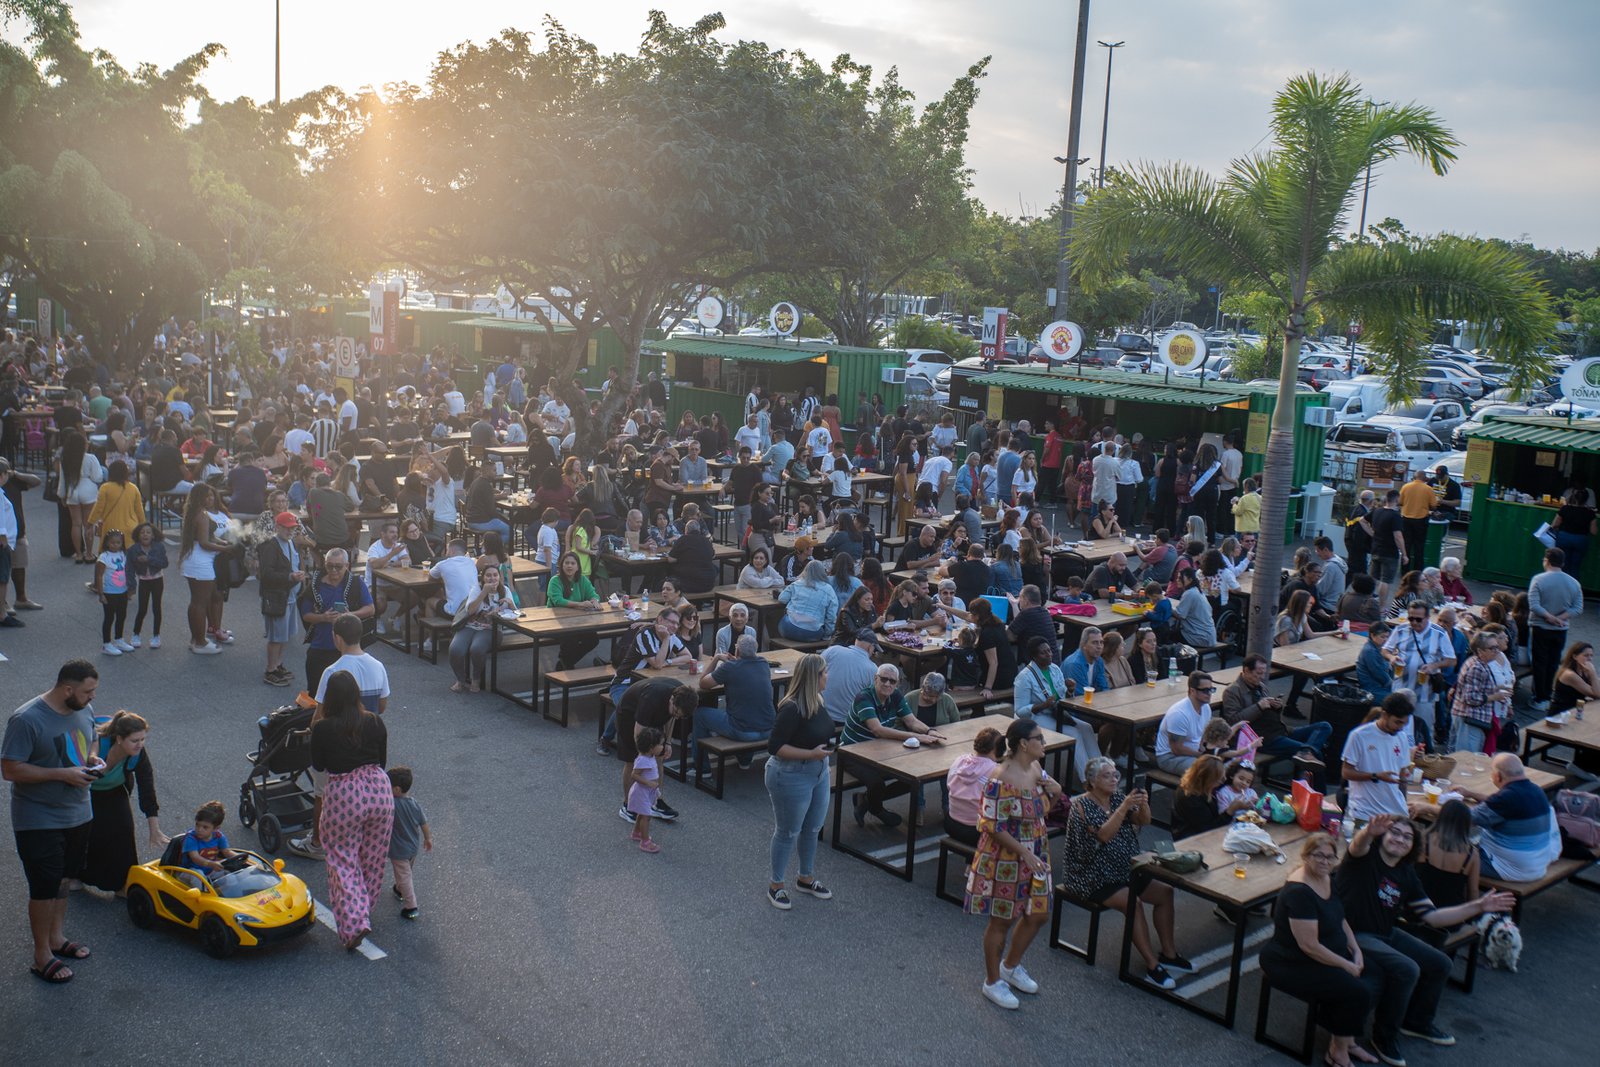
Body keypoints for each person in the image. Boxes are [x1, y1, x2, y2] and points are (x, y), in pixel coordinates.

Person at [1336, 813, 1515, 1062]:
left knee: (1440, 963)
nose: (1400, 839)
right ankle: (1383, 1036)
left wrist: (1478, 906)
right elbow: (1357, 846)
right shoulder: (1365, 858)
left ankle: (1416, 1022)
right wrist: (1367, 832)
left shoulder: (1406, 874)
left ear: (1413, 846)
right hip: (1353, 934)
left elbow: (1434, 917)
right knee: (1407, 968)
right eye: (1394, 833)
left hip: (1385, 933)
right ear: (1382, 836)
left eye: (1407, 837)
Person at [2, 660, 101, 983]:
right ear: (67, 689)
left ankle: (57, 938)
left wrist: (92, 758)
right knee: (44, 888)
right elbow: (10, 769)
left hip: (79, 812)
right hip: (38, 818)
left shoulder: (84, 708)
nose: (92, 697)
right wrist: (62, 774)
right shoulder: (26, 719)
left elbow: (92, 737)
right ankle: (41, 955)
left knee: (63, 880)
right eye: (88, 691)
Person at [1061, 756, 1191, 990]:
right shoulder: (1081, 806)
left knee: (1165, 892)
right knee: (1134, 903)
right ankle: (1152, 965)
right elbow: (1104, 835)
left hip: (1124, 869)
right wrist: (1123, 807)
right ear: (1092, 781)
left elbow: (1144, 820)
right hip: (1091, 875)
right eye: (1107, 776)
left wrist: (1143, 803)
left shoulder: (1118, 798)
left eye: (1115, 775)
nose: (1113, 779)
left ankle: (1169, 954)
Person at [965, 717, 1064, 1011]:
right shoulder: (1001, 777)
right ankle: (992, 981)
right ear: (1023, 744)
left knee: (1039, 914)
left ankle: (1010, 966)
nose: (1043, 743)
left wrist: (1056, 791)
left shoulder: (1035, 767)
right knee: (1002, 920)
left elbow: (1041, 810)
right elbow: (990, 824)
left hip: (1036, 850)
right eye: (1039, 738)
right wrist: (1025, 853)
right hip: (1006, 858)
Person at [1259, 835, 1372, 1067]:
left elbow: (1340, 917)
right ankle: (1338, 1052)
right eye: (1319, 855)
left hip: (1321, 954)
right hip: (1291, 962)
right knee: (1355, 990)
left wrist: (1355, 949)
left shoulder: (1327, 878)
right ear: (1305, 856)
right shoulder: (1299, 892)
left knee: (1374, 974)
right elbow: (1308, 946)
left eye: (1330, 857)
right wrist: (1346, 964)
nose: (1325, 861)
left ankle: (1347, 1040)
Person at [310, 670, 392, 949]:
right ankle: (364, 908)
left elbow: (319, 765)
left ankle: (356, 921)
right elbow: (381, 760)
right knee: (373, 856)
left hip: (344, 793)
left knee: (342, 857)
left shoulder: (322, 728)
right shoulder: (375, 721)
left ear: (330, 697)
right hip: (379, 789)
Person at [763, 653, 835, 910]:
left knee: (812, 828)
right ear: (815, 677)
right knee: (787, 832)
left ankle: (806, 878)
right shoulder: (792, 708)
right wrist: (811, 754)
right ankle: (776, 885)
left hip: (818, 772)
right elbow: (775, 747)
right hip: (790, 775)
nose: (828, 676)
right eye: (825, 672)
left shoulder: (817, 699)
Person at [841, 663, 946, 827]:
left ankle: (865, 801)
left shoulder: (895, 695)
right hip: (852, 753)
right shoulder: (864, 698)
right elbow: (878, 730)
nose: (887, 684)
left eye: (892, 681)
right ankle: (877, 809)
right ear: (875, 679)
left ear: (897, 683)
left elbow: (911, 721)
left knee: (912, 778)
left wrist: (929, 731)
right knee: (876, 783)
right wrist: (917, 736)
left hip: (880, 751)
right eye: (883, 679)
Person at [80, 710, 163, 898]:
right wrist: (109, 763)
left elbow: (147, 786)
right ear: (119, 739)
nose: (140, 744)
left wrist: (154, 828)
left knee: (123, 832)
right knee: (88, 833)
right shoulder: (96, 746)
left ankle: (123, 883)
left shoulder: (138, 753)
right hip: (86, 791)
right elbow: (85, 777)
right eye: (135, 740)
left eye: (143, 739)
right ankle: (75, 875)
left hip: (115, 790)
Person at [1455, 753, 1560, 882]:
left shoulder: (1505, 799)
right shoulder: (1536, 790)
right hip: (1537, 865)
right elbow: (1499, 804)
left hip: (1506, 867)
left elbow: (1464, 819)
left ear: (1498, 776)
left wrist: (1432, 807)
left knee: (1442, 855)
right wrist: (1469, 793)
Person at [1220, 653, 1332, 766]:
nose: (1262, 677)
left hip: (1280, 730)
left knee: (1324, 726)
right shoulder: (1232, 691)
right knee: (1317, 753)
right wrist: (1258, 706)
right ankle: (1308, 755)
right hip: (1263, 738)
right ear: (1247, 670)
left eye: (1264, 673)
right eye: (1258, 673)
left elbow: (1270, 715)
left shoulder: (1261, 686)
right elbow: (1233, 720)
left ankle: (1307, 752)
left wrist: (1276, 707)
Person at [692, 634, 776, 779]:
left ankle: (702, 768)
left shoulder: (730, 667)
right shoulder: (763, 663)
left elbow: (703, 683)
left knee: (699, 714)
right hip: (768, 728)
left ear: (737, 651)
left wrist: (717, 658)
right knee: (749, 710)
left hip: (743, 731)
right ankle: (744, 760)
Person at [299, 548, 374, 693]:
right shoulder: (316, 585)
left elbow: (370, 609)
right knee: (315, 692)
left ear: (347, 565)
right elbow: (306, 614)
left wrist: (350, 615)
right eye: (329, 566)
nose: (333, 570)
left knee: (346, 694)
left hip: (347, 649)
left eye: (338, 566)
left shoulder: (356, 583)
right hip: (320, 647)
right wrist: (323, 617)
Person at [1341, 693, 1423, 823]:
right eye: (1397, 722)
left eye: (1404, 724)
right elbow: (1346, 772)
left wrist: (1403, 802)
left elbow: (1402, 776)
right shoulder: (1359, 736)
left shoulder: (1401, 737)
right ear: (1385, 715)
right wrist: (1375, 776)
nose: (1400, 727)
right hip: (1365, 814)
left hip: (1395, 813)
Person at [1528, 546, 1583, 712]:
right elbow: (1578, 608)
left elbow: (1534, 605)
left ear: (1547, 561)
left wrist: (1549, 617)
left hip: (1540, 627)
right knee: (1553, 662)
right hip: (1561, 629)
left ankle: (1540, 697)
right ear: (1563, 563)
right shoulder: (1574, 583)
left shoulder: (1538, 579)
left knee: (1539, 662)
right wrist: (1560, 619)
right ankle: (1548, 694)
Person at [258, 511, 308, 686]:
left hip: (290, 597)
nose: (289, 531)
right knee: (276, 637)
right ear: (277, 527)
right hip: (277, 598)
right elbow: (266, 575)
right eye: (286, 528)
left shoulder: (290, 542)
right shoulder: (271, 546)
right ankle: (270, 670)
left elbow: (294, 564)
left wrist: (298, 576)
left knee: (284, 635)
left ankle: (278, 665)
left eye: (292, 528)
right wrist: (290, 577)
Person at [1447, 631, 1515, 753]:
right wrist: (1495, 696)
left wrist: (1498, 688)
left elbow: (1477, 687)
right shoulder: (1477, 668)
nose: (1497, 651)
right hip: (1469, 719)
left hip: (1468, 717)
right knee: (1467, 756)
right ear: (1480, 651)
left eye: (1497, 647)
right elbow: (1470, 698)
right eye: (1492, 648)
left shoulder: (1480, 662)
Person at [313, 613, 391, 713]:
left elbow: (320, 714)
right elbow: (381, 707)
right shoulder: (378, 666)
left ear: (337, 638)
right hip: (370, 722)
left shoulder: (331, 672)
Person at [944, 727, 1004, 847]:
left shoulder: (959, 761)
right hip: (976, 830)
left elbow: (948, 786)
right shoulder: (996, 771)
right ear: (997, 749)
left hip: (951, 823)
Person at [1156, 671, 1224, 774]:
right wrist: (1204, 756)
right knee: (1208, 769)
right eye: (1205, 690)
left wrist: (1209, 750)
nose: (1209, 693)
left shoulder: (1206, 708)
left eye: (1211, 689)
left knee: (1227, 764)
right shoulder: (1179, 714)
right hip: (1170, 757)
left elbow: (1203, 736)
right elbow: (1177, 749)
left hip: (1193, 752)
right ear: (1192, 691)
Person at [821, 629, 880, 724]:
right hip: (845, 721)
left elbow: (813, 671)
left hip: (819, 713)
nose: (873, 652)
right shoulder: (873, 669)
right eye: (874, 649)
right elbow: (875, 700)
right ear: (870, 647)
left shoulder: (833, 650)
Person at [125, 522, 168, 650]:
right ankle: (136, 634)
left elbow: (164, 563)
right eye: (142, 532)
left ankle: (156, 636)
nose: (145, 534)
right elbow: (129, 569)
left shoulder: (159, 547)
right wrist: (131, 586)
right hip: (143, 581)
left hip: (157, 580)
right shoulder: (133, 550)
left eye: (148, 532)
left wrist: (149, 559)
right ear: (138, 536)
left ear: (153, 536)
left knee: (156, 608)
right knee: (142, 609)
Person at [93, 528, 133, 656]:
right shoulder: (104, 557)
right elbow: (99, 575)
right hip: (109, 592)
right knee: (109, 617)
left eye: (118, 542)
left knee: (122, 616)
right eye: (112, 542)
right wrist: (101, 594)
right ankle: (106, 644)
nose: (115, 545)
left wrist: (130, 589)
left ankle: (119, 639)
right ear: (107, 543)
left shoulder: (123, 554)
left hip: (122, 591)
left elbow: (128, 571)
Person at [627, 727, 666, 854]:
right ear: (651, 747)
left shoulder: (650, 757)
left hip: (646, 792)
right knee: (646, 816)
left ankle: (636, 832)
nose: (662, 747)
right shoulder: (643, 759)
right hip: (641, 792)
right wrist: (648, 783)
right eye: (660, 744)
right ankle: (645, 842)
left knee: (642, 813)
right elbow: (634, 775)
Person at [777, 560, 839, 642]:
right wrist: (827, 635)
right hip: (812, 633)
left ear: (805, 570)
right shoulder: (829, 589)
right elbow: (831, 616)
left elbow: (782, 599)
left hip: (788, 628)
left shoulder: (797, 584)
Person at [1172, 755, 1230, 839]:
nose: (1223, 780)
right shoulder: (1191, 798)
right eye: (1219, 779)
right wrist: (1229, 812)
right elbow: (1209, 829)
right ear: (1207, 780)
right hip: (1190, 836)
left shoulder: (1201, 786)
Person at [971, 597, 1017, 698]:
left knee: (969, 670)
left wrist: (987, 688)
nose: (970, 616)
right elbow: (966, 616)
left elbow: (993, 663)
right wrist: (944, 606)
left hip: (1000, 679)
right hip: (1011, 673)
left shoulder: (987, 634)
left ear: (977, 616)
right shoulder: (998, 623)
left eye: (972, 614)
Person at [1368, 490, 1407, 608]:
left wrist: (1372, 534)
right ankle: (1382, 607)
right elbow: (1398, 536)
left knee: (1373, 578)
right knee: (1385, 580)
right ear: (1396, 499)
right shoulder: (1395, 516)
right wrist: (1404, 554)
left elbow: (1362, 521)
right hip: (1389, 553)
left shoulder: (1377, 511)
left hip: (1375, 549)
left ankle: (1368, 602)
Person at [1549, 486, 1598, 578]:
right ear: (1586, 499)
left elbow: (1554, 525)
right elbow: (1593, 531)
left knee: (1562, 564)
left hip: (1564, 538)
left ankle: (1560, 584)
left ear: (1573, 497)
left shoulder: (1565, 509)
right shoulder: (1590, 513)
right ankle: (1573, 585)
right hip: (1580, 540)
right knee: (1575, 566)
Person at [179, 799, 235, 877]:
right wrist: (211, 864)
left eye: (205, 827)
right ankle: (204, 885)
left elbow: (227, 852)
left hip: (210, 871)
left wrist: (243, 859)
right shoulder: (191, 838)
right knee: (198, 875)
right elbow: (195, 857)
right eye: (197, 825)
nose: (199, 829)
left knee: (230, 875)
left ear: (216, 828)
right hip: (189, 871)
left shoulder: (218, 836)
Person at [1398, 467, 1436, 568]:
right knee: (1419, 546)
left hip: (1406, 519)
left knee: (1406, 545)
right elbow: (1433, 506)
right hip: (1421, 520)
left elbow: (1400, 502)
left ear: (1414, 477)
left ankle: (1404, 569)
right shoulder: (1428, 489)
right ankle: (1418, 570)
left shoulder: (1406, 487)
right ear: (1425, 478)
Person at [1172, 568, 1218, 649]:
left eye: (1180, 578)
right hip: (1209, 637)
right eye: (1177, 577)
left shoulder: (1189, 593)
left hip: (1199, 637)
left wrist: (1168, 606)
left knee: (1167, 636)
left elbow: (1179, 615)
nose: (1177, 580)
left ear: (1190, 580)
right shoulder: (1197, 591)